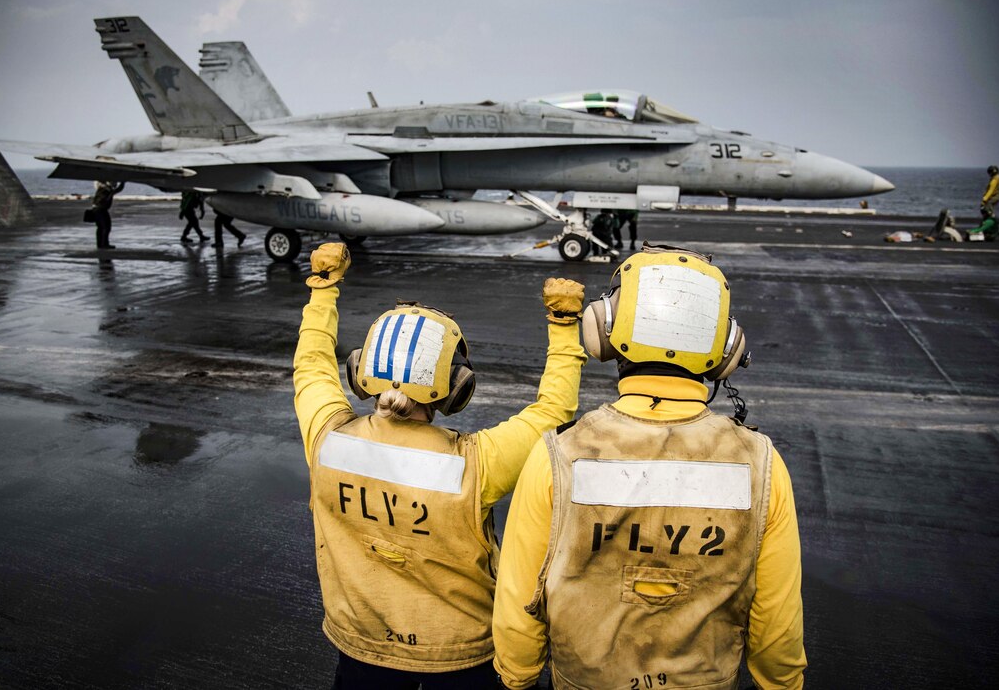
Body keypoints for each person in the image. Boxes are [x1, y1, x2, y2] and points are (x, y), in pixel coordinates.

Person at [493, 245, 807, 690]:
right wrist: (783, 683)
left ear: (604, 330)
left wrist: (518, 675)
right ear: (727, 349)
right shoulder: (762, 464)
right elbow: (777, 617)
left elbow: (521, 592)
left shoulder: (558, 454)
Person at [293, 243, 587, 689]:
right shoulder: (477, 462)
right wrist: (564, 326)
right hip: (462, 658)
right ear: (454, 387)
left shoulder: (326, 439)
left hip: (361, 649)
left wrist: (323, 288)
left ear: (361, 371)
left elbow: (311, 366)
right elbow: (553, 411)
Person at [92, 180, 124, 249]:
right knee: (106, 227)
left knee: (100, 228)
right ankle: (104, 244)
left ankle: (100, 244)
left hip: (96, 209)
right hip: (101, 210)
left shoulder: (101, 188)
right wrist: (123, 182)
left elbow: (118, 190)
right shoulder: (107, 190)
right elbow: (118, 189)